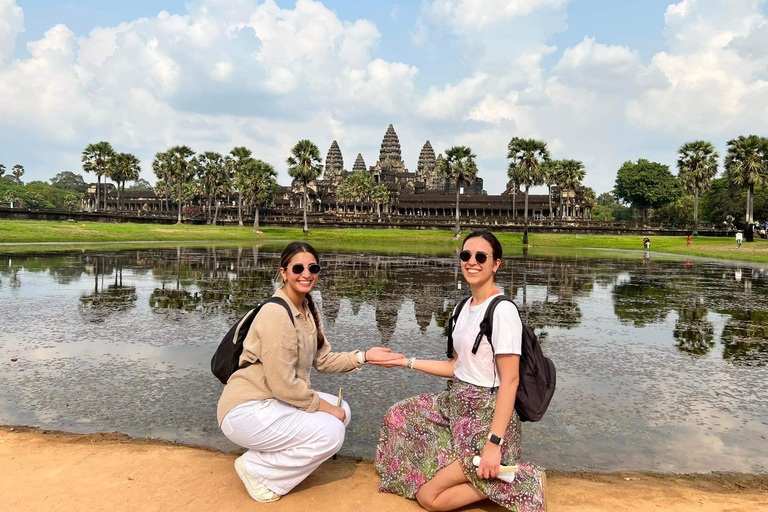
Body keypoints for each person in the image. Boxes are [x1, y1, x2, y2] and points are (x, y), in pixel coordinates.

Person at [373, 231, 547, 512]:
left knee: (429, 498)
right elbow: (456, 367)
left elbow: (511, 380)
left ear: (496, 264)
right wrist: (406, 362)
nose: (472, 262)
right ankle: (480, 472)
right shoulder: (460, 308)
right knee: (399, 415)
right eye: (466, 255)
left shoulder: (502, 311)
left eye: (481, 257)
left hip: (485, 417)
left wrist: (493, 442)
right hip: (455, 405)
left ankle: (522, 480)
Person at [217, 241, 403, 502]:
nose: (306, 274)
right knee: (333, 430)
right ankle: (256, 468)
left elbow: (323, 360)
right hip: (247, 409)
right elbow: (283, 386)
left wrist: (365, 356)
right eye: (298, 268)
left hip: (272, 402)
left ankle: (270, 459)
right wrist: (326, 409)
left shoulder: (306, 309)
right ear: (283, 272)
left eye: (313, 267)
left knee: (343, 411)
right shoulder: (276, 314)